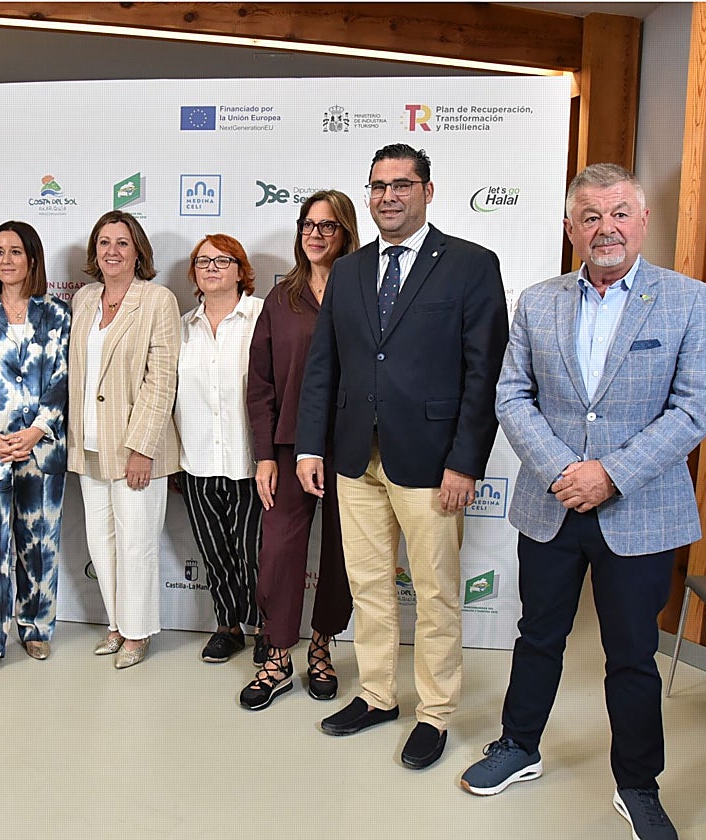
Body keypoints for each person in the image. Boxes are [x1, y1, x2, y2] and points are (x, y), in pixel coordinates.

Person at [460, 164, 706, 840]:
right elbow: (512, 394)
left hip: (641, 510)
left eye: (620, 214)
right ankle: (519, 746)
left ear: (641, 221)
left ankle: (638, 785)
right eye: (590, 217)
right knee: (537, 635)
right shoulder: (539, 301)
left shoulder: (690, 300)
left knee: (632, 654)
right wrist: (562, 471)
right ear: (570, 228)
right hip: (551, 506)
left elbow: (693, 410)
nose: (606, 228)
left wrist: (608, 474)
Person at [295, 144, 509, 767]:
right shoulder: (351, 271)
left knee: (438, 592)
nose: (389, 195)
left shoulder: (471, 265)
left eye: (401, 184)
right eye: (378, 185)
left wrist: (466, 462)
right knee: (367, 587)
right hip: (354, 457)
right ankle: (378, 693)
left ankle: (436, 712)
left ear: (428, 190)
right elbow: (324, 368)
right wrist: (312, 445)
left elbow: (483, 374)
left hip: (434, 461)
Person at [241, 190, 359, 710]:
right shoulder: (280, 299)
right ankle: (278, 654)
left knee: (341, 553)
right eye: (308, 224)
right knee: (280, 553)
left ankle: (322, 644)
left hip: (352, 447)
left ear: (346, 233)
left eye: (327, 226)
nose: (315, 234)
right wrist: (265, 454)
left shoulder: (365, 292)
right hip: (289, 448)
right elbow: (261, 382)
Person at [0, 221, 70, 683]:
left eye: (15, 252)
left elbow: (62, 379)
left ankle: (36, 625)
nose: (6, 260)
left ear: (32, 259)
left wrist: (37, 431)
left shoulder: (56, 315)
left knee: (39, 544)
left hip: (42, 452)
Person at [68, 210, 180, 669]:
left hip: (136, 449)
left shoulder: (157, 300)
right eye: (104, 242)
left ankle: (137, 633)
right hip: (89, 443)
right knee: (102, 541)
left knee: (136, 543)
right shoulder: (84, 299)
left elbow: (162, 379)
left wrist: (142, 448)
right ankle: (116, 624)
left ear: (138, 251)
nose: (112, 251)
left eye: (122, 242)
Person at [174, 234, 264, 665]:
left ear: (240, 268)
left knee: (255, 554)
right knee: (215, 552)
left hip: (250, 461)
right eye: (202, 261)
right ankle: (227, 626)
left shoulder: (262, 316)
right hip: (197, 461)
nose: (211, 268)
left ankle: (267, 628)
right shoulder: (181, 327)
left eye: (222, 260)